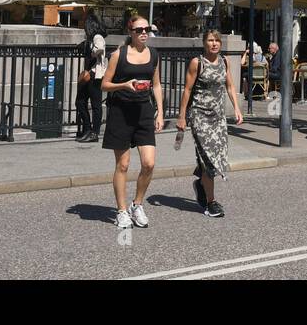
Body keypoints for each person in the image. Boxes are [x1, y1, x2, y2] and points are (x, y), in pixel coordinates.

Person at [102, 16, 164, 228]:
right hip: (121, 112)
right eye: (139, 30)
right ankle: (121, 210)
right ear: (130, 32)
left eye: (147, 29)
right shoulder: (118, 55)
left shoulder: (154, 55)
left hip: (144, 112)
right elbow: (104, 85)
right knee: (123, 164)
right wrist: (124, 85)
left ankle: (137, 205)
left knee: (149, 163)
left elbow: (156, 85)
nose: (144, 33)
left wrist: (161, 113)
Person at [176, 30, 243, 218]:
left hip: (218, 117)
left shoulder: (225, 61)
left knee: (217, 154)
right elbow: (187, 90)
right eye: (210, 40)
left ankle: (201, 183)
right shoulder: (197, 63)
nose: (214, 44)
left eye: (217, 41)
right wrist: (182, 117)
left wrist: (236, 108)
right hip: (200, 116)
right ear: (204, 43)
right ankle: (211, 202)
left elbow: (229, 85)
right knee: (208, 159)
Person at [75, 16, 107, 143]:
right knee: (80, 102)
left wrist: (92, 51)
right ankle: (88, 129)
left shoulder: (97, 37)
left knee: (95, 105)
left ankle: (94, 132)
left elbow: (99, 48)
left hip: (95, 75)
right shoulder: (91, 38)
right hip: (91, 74)